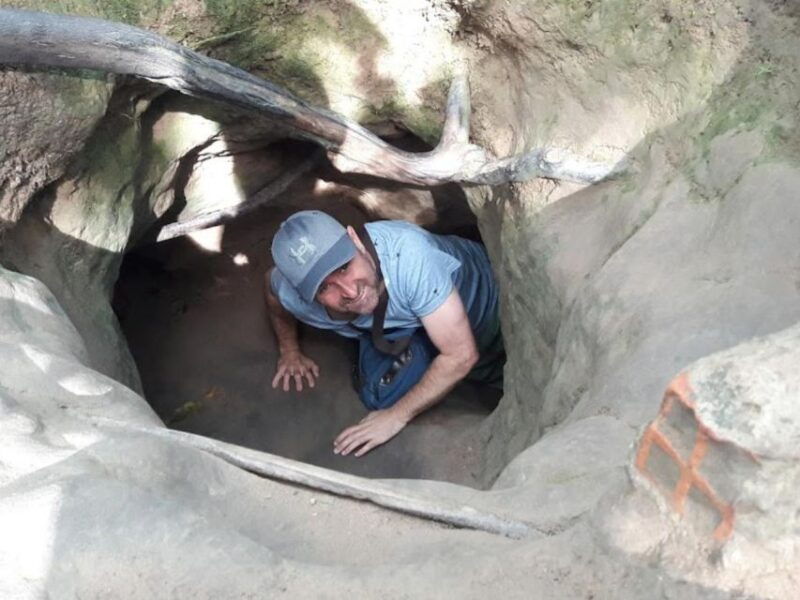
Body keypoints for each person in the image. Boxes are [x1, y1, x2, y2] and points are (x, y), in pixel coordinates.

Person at [265, 210, 504, 457]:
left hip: (480, 298)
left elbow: (461, 355)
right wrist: (289, 351)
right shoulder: (295, 297)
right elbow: (271, 289)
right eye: (324, 286)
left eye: (344, 267)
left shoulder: (410, 256)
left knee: (493, 364)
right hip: (406, 322)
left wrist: (396, 417)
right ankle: (410, 345)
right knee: (381, 395)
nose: (349, 291)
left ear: (355, 240)